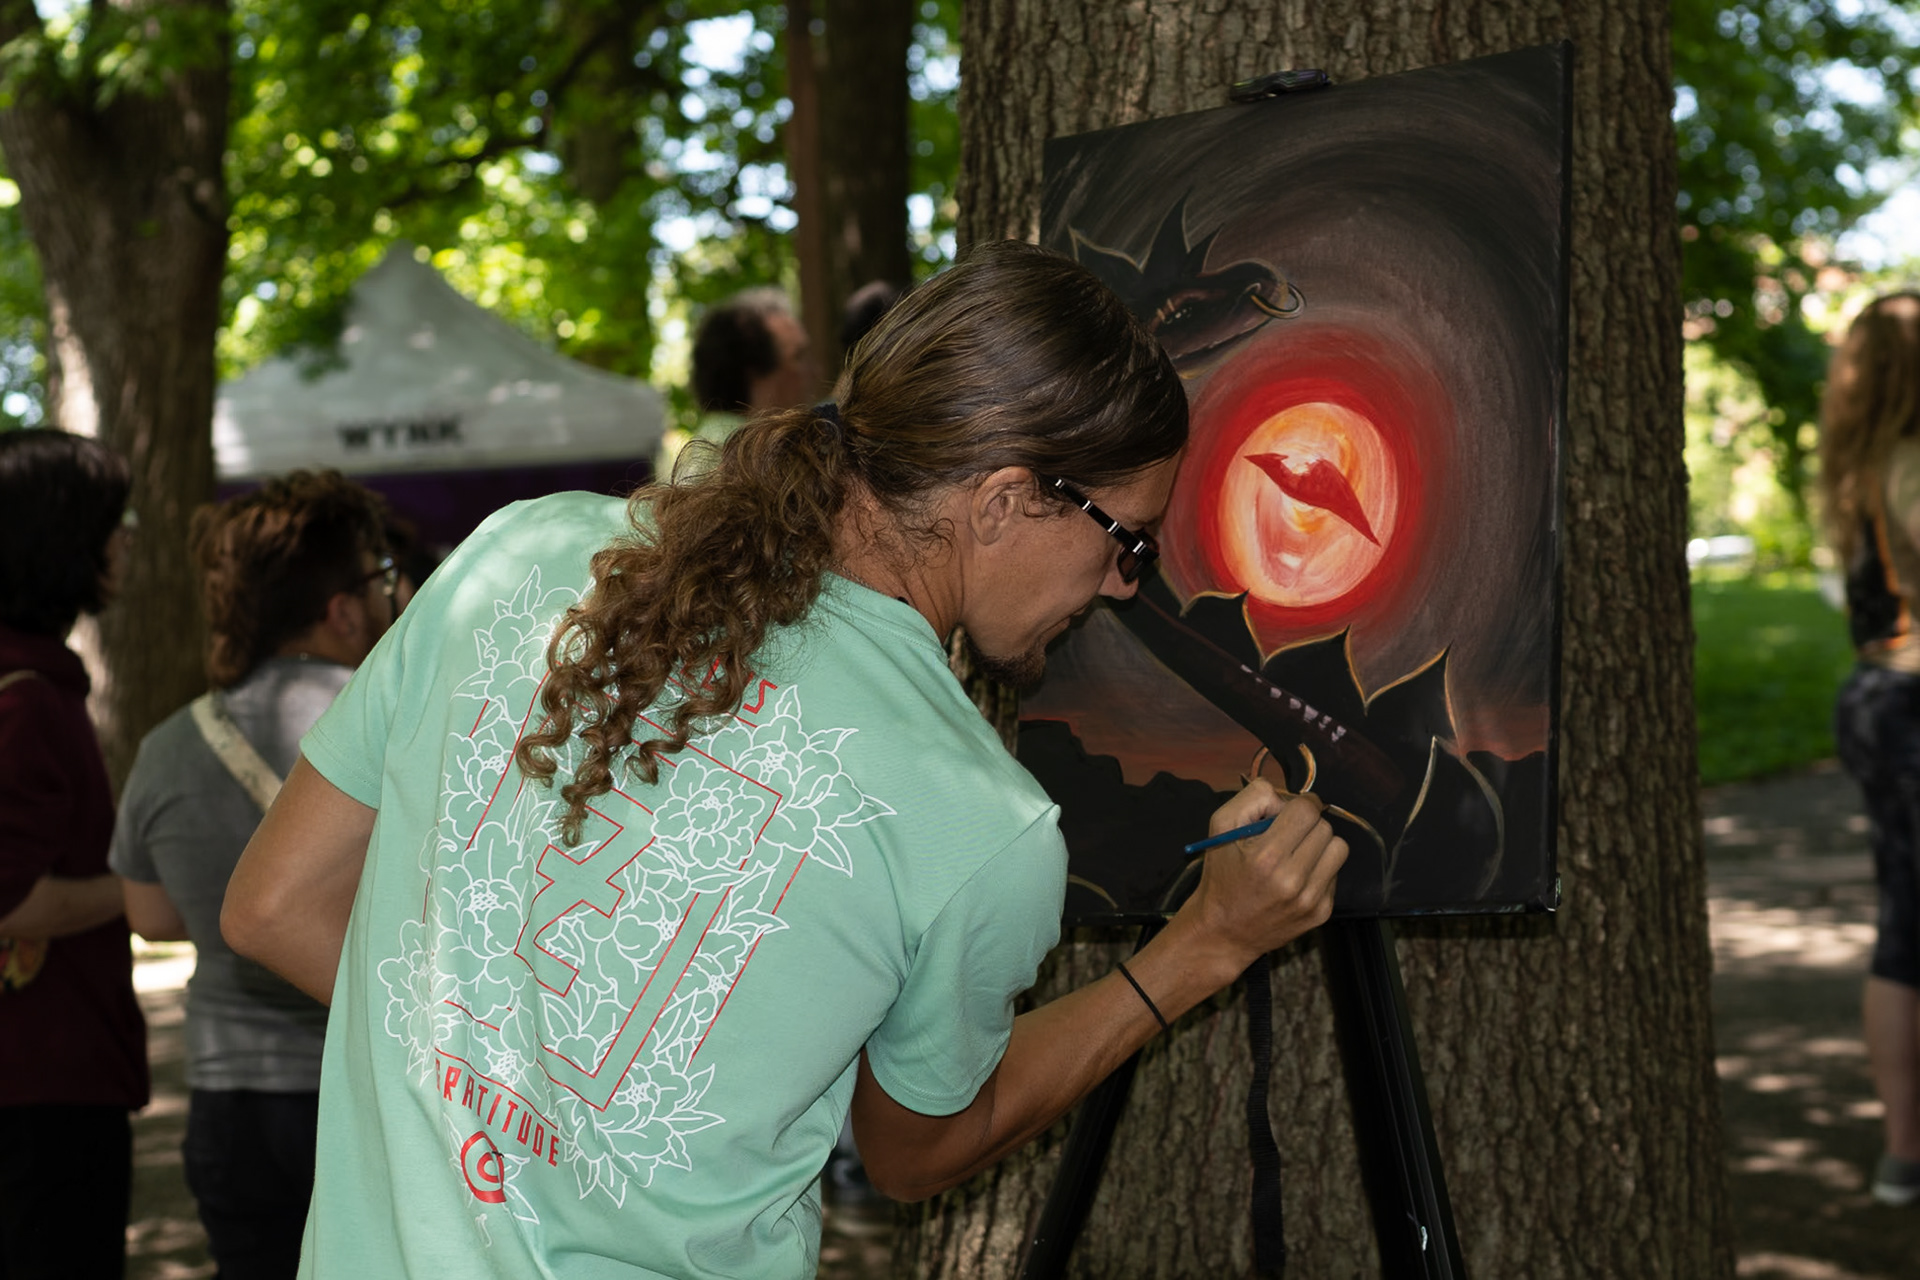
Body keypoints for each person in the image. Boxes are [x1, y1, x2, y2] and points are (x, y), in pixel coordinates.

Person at [223, 241, 1346, 1278]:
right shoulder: (977, 818)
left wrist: (499, 1053)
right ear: (1007, 500)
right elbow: (912, 1153)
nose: (1122, 585)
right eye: (1129, 541)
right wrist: (1206, 945)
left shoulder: (518, 552)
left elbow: (273, 902)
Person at [109, 471, 395, 1279]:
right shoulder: (401, 723)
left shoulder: (168, 743)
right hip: (376, 1089)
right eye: (380, 580)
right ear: (341, 607)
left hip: (231, 1099)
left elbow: (152, 915)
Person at [0, 428, 146, 1279]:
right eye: (110, 518)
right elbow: (11, 899)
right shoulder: (26, 704)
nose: (124, 537)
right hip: (40, 1086)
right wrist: (136, 887)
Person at [1824, 291, 1920, 1207]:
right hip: (1915, 701)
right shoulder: (1910, 465)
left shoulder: (1856, 467)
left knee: (1904, 928)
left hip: (1873, 694)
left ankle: (1904, 1154)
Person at [653, 287, 818, 481]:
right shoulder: (742, 459)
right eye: (797, 357)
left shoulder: (714, 445)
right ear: (754, 374)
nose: (813, 371)